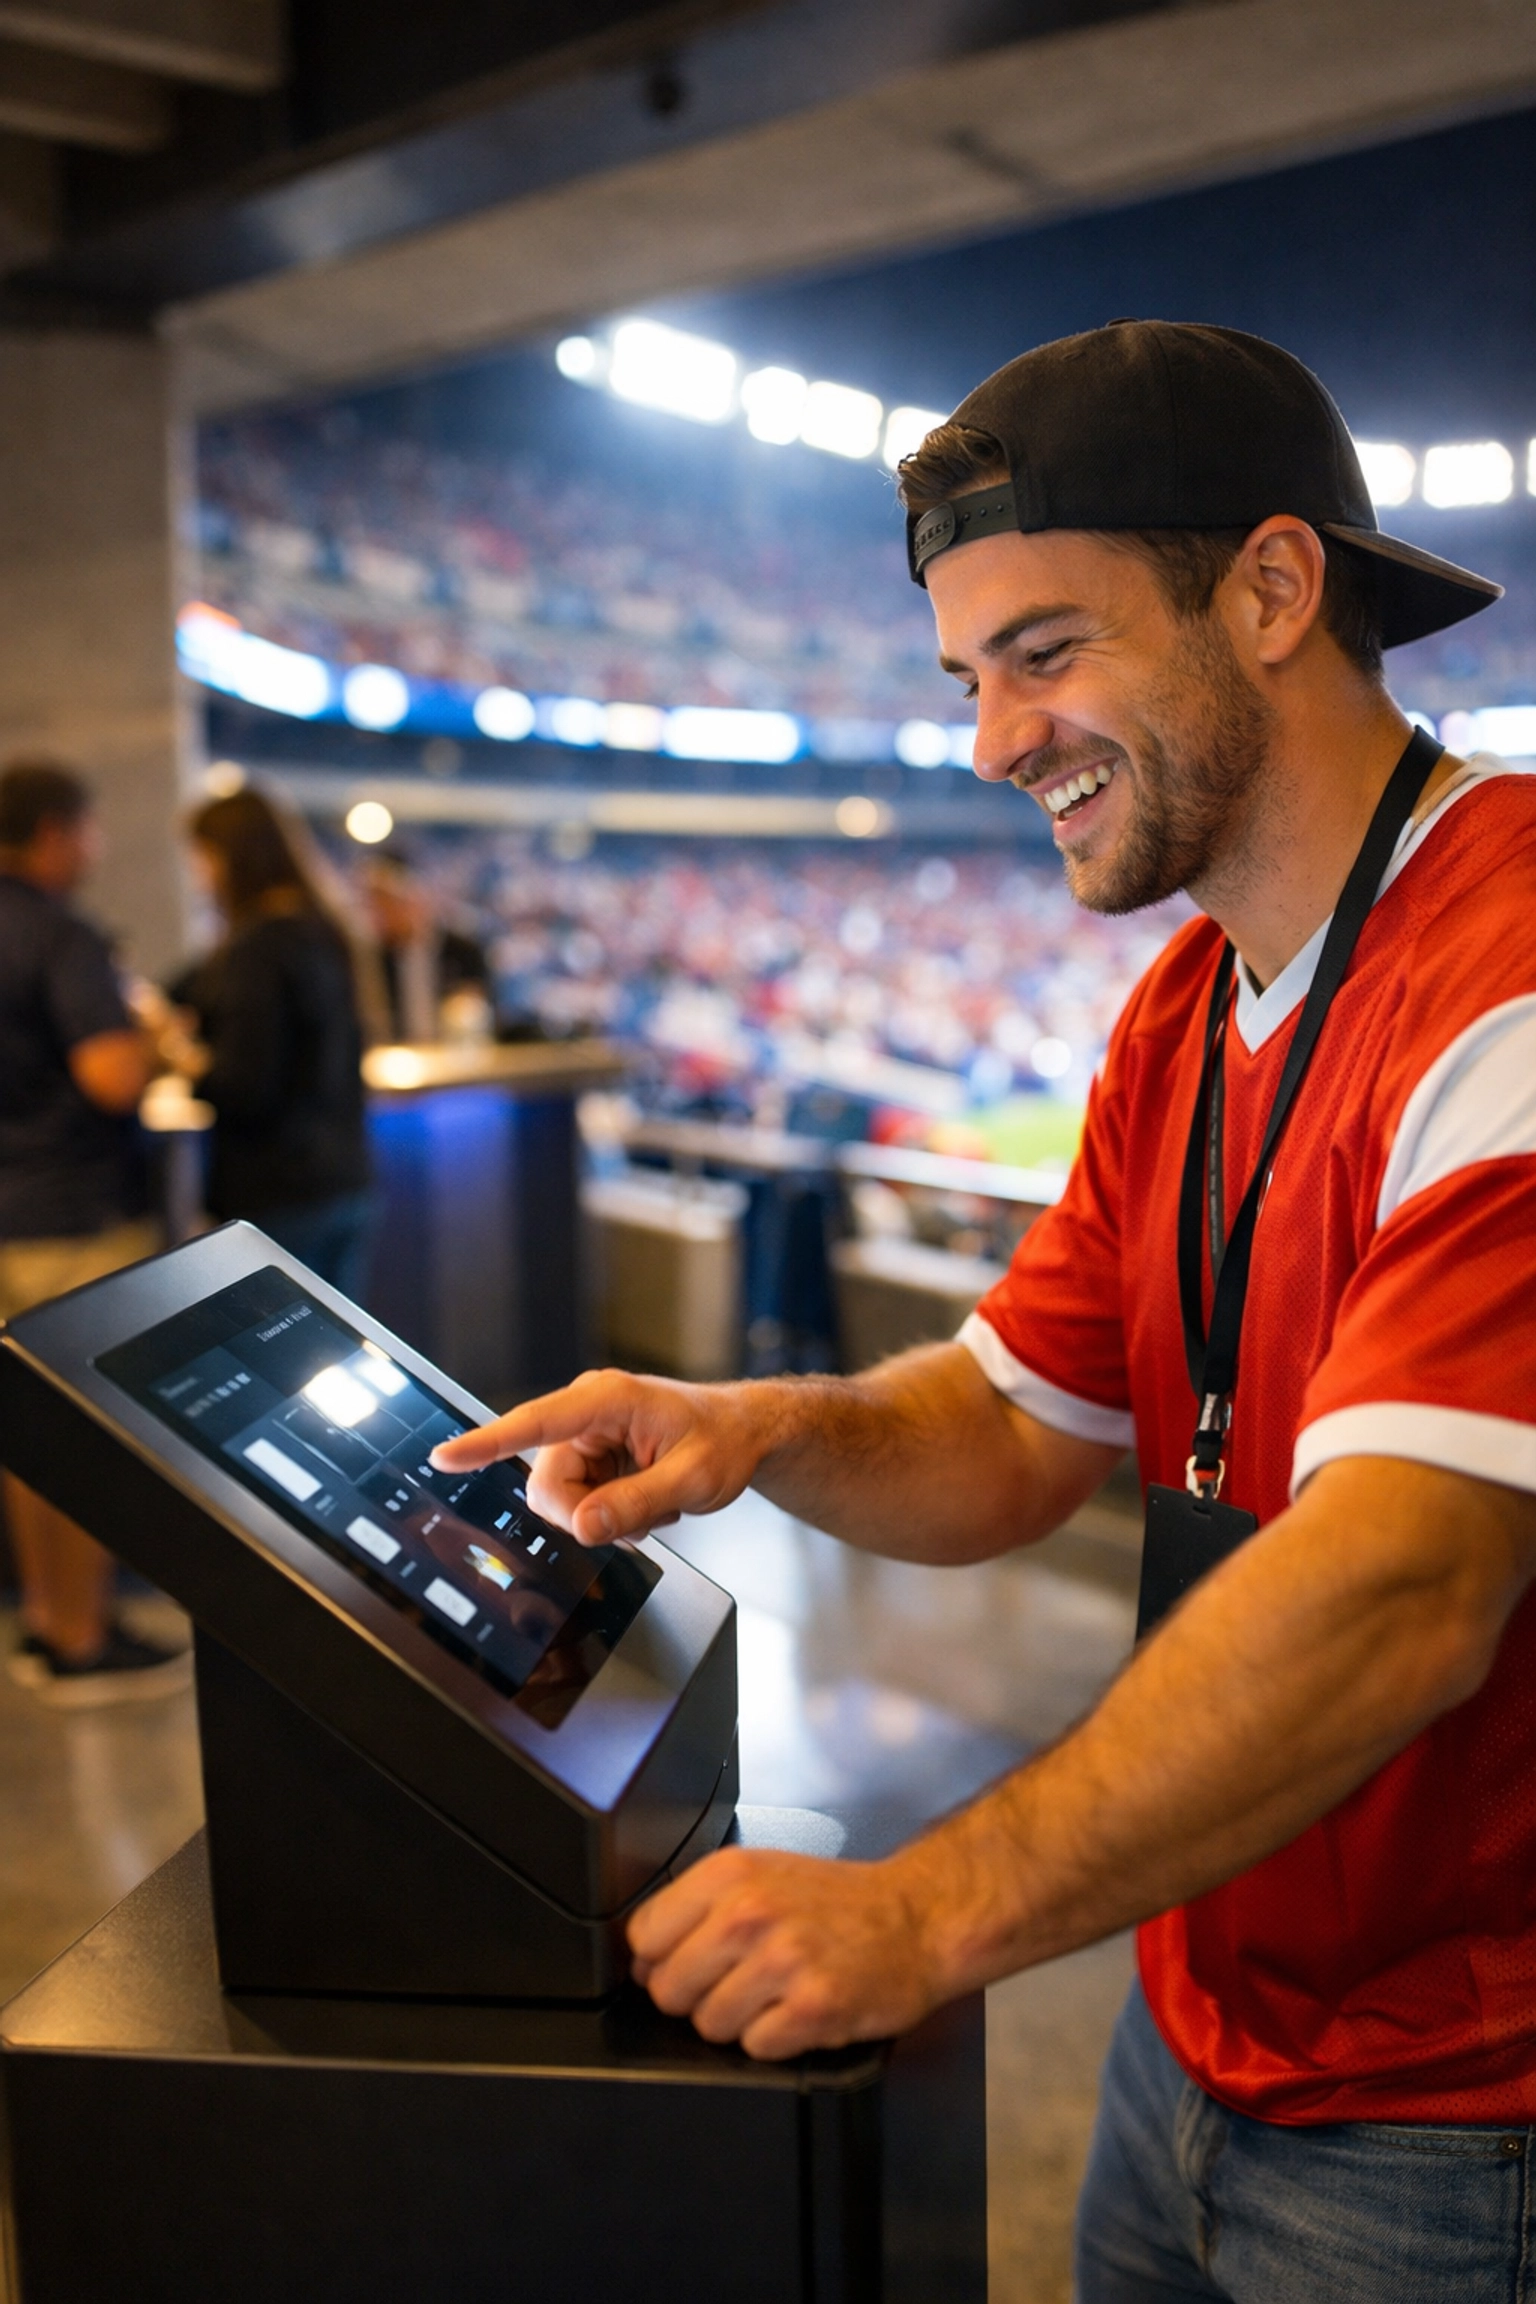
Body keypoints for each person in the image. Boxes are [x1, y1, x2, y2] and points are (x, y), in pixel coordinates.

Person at [430, 323, 1536, 2301]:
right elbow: (1018, 1430)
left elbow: (1408, 1582)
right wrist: (756, 1427)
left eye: (1046, 652)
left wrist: (926, 1912)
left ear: (1277, 592)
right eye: (970, 678)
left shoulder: (1512, 960)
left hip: (1471, 2115)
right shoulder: (1182, 1015)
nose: (991, 741)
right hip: (1196, 2015)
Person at [0, 759, 189, 1704]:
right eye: (90, 828)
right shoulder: (61, 936)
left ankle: (45, 1620)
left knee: (24, 1441)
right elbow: (113, 1077)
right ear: (56, 832)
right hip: (71, 1220)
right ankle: (82, 1636)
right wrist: (159, 1032)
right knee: (81, 1441)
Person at [171, 787, 372, 1298]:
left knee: (277, 1360)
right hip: (346, 1175)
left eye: (202, 857)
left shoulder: (255, 948)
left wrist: (184, 1064)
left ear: (229, 856)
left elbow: (246, 1085)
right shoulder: (325, 927)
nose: (199, 874)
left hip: (275, 1190)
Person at [360, 849, 492, 1043]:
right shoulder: (374, 959)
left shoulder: (464, 952)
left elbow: (483, 1014)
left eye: (387, 903)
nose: (379, 915)